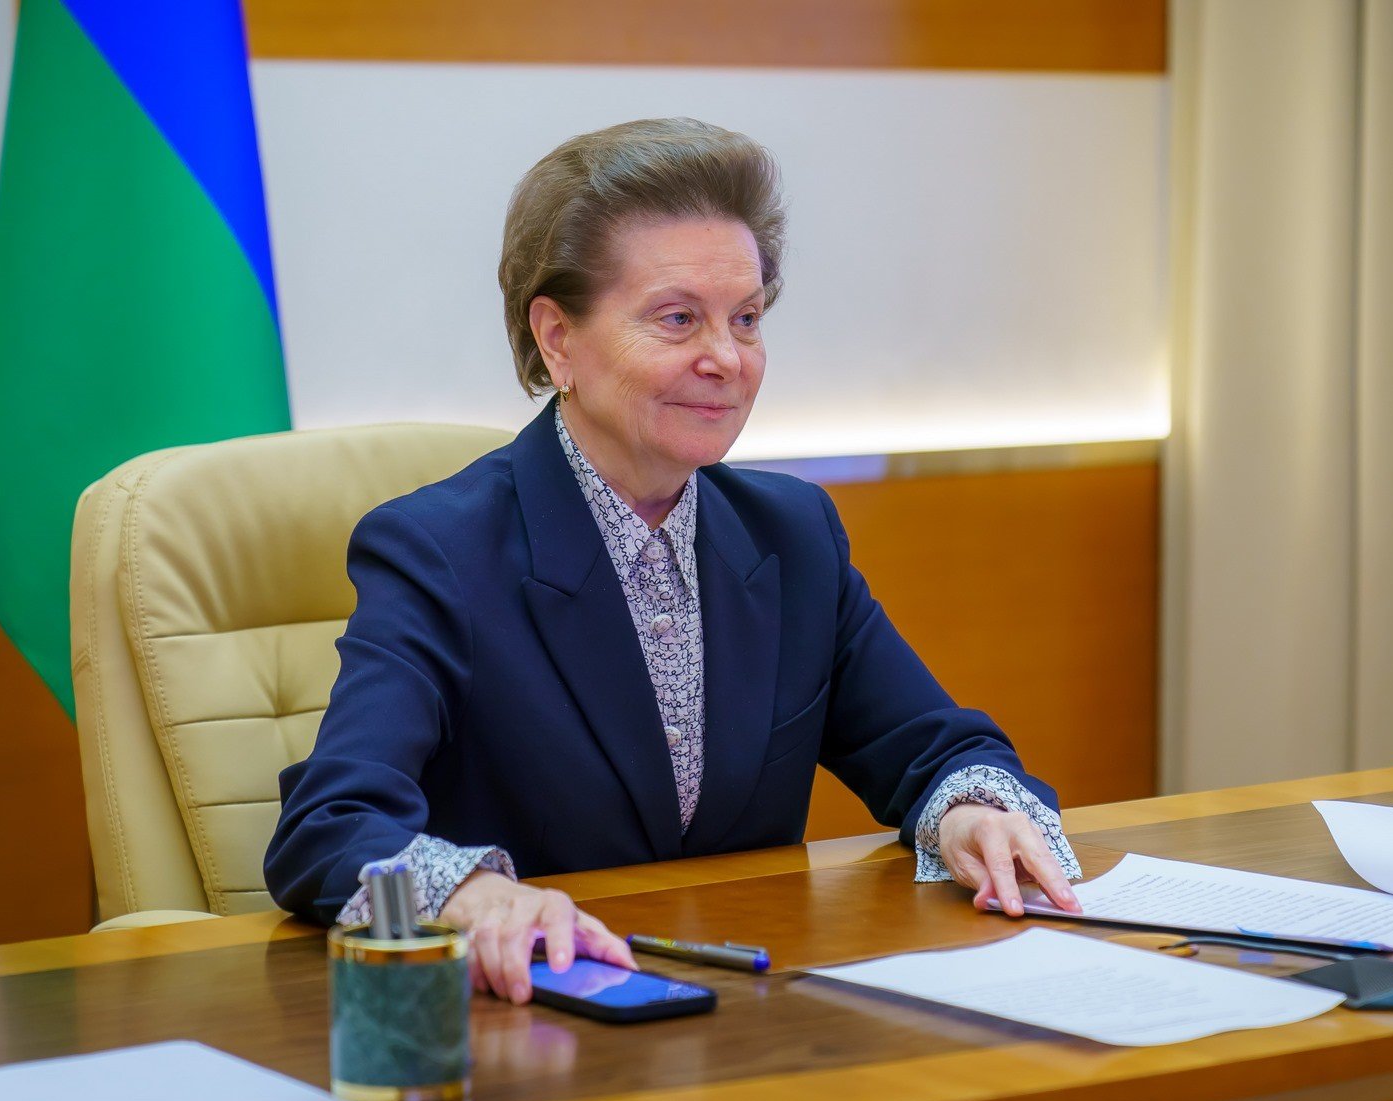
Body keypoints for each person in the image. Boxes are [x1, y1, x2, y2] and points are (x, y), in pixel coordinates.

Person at [265, 118, 1082, 1003]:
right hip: (536, 1018)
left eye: (746, 319)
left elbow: (932, 745)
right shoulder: (439, 550)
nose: (725, 358)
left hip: (754, 1008)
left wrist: (969, 813)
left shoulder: (792, 533)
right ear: (558, 338)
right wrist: (475, 894)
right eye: (678, 318)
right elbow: (330, 822)